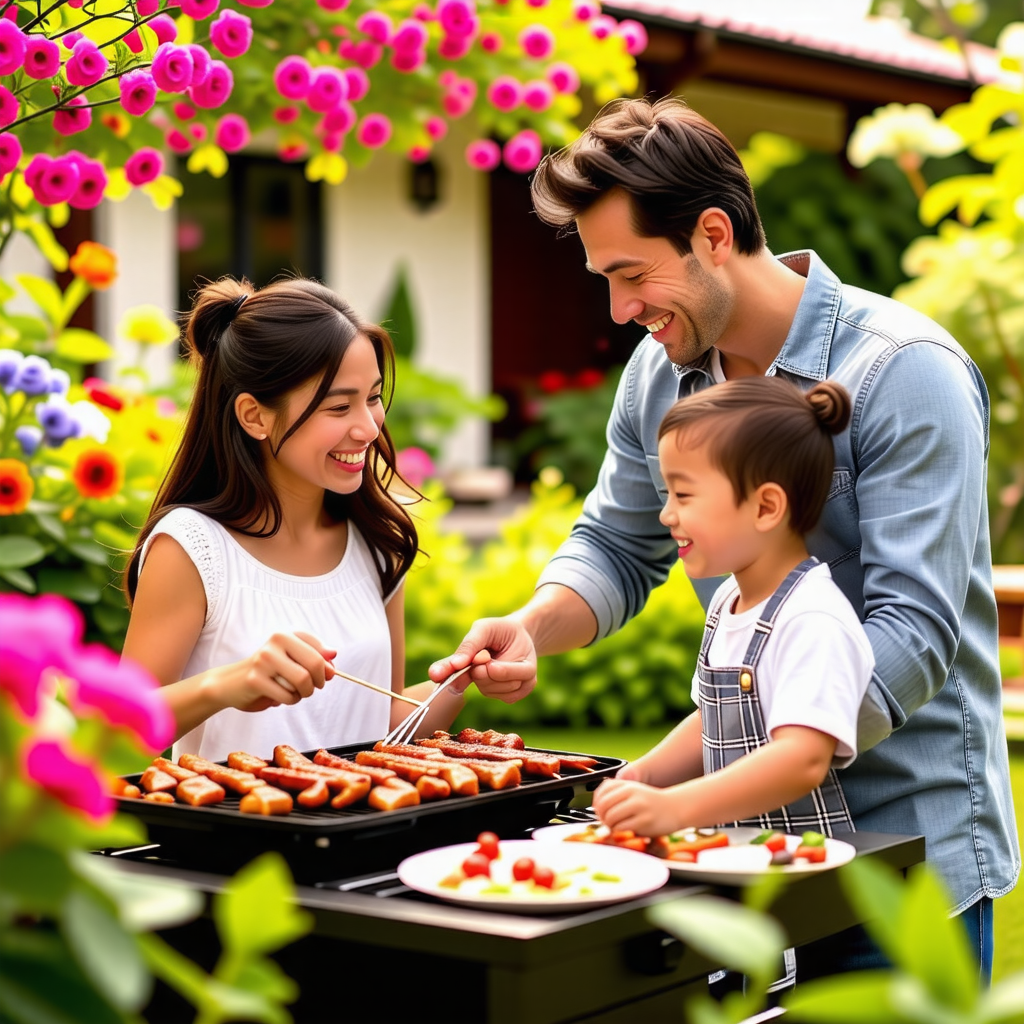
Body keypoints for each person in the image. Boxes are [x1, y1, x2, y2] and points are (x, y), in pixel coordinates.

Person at [429, 96, 1018, 980]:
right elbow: (620, 544)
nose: (622, 308)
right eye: (605, 280)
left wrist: (767, 751)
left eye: (633, 274)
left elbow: (916, 632)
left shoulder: (905, 371)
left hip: (908, 852)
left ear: (711, 233)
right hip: (735, 847)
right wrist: (533, 626)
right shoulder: (658, 375)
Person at [123, 276, 466, 763]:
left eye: (372, 397)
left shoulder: (377, 542)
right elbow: (116, 732)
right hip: (237, 835)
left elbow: (380, 728)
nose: (369, 427)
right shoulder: (193, 548)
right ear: (254, 416)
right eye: (339, 406)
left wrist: (460, 679)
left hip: (366, 834)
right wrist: (226, 684)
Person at [592, 377, 873, 840]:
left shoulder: (812, 618)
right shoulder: (728, 600)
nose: (666, 514)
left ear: (765, 507)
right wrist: (643, 775)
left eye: (683, 495)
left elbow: (802, 758)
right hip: (738, 862)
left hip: (797, 875)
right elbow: (713, 715)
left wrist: (676, 807)